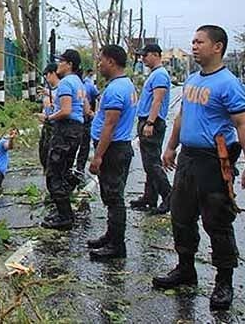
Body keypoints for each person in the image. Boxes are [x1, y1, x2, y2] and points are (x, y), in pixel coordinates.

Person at [153, 25, 245, 311]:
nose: (194, 46)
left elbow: (242, 123)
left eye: (199, 42)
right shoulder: (193, 80)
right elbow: (181, 116)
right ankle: (185, 270)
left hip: (214, 162)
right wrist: (170, 147)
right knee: (181, 216)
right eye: (192, 41)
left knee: (217, 221)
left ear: (217, 47)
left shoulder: (228, 84)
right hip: (189, 158)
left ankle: (223, 282)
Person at [86, 45, 137, 260]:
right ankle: (111, 235)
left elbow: (110, 124)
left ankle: (117, 246)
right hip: (116, 148)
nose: (99, 65)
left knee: (114, 197)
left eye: (101, 60)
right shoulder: (123, 85)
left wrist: (98, 156)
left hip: (114, 150)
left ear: (111, 62)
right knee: (110, 196)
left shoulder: (117, 89)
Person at [39, 49, 86, 230]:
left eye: (62, 61)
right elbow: (83, 108)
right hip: (75, 130)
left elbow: (66, 110)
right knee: (64, 169)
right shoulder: (78, 82)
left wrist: (49, 118)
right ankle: (63, 211)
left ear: (69, 65)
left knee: (54, 173)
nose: (58, 64)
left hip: (65, 130)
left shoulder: (66, 83)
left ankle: (65, 217)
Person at [131, 44, 172, 214]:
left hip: (152, 122)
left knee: (153, 164)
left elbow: (158, 100)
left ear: (156, 54)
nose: (143, 58)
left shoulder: (160, 75)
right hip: (147, 120)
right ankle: (150, 197)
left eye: (145, 55)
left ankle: (168, 197)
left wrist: (150, 122)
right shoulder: (155, 74)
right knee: (149, 163)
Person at [75, 69, 100, 175]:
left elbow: (98, 97)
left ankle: (79, 169)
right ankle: (78, 168)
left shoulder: (87, 86)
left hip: (82, 120)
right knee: (81, 145)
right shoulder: (85, 85)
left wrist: (95, 113)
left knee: (83, 146)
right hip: (81, 119)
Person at [38, 63, 60, 170]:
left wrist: (49, 94)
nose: (46, 78)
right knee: (43, 151)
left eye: (47, 74)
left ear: (53, 74)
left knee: (53, 154)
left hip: (55, 125)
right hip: (46, 124)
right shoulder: (47, 89)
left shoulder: (61, 88)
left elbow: (62, 103)